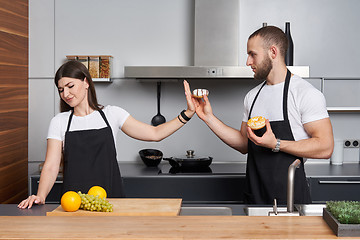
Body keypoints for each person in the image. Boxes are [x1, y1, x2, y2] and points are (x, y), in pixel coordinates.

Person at [18, 60, 195, 209]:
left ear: (86, 82)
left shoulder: (112, 114)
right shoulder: (59, 121)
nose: (66, 94)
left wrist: (187, 114)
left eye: (70, 86)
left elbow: (154, 133)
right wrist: (40, 196)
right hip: (73, 205)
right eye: (61, 89)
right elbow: (51, 166)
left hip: (111, 202)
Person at [192, 26, 334, 204]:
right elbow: (244, 143)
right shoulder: (252, 96)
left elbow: (325, 147)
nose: (247, 62)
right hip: (255, 198)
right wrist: (208, 118)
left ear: (273, 52)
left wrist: (276, 144)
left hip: (290, 200)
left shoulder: (305, 93)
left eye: (252, 54)